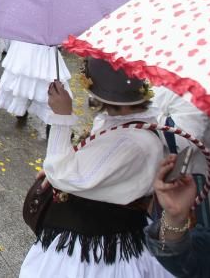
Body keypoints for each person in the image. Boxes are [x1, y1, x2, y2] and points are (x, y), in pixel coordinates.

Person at [20, 57, 170, 277]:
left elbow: (62, 173)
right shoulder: (124, 125)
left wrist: (62, 117)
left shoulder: (131, 141)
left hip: (98, 248)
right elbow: (91, 168)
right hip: (100, 234)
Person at [0, 40, 71, 127]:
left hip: (30, 50)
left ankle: (50, 121)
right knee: (36, 84)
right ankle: (50, 122)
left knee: (28, 83)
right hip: (37, 51)